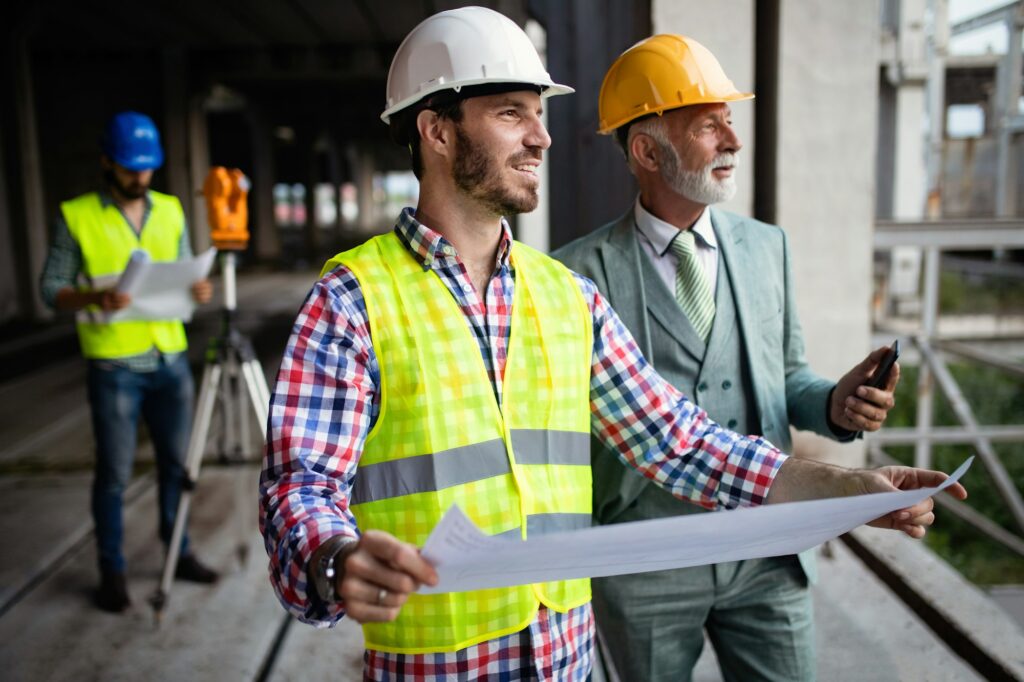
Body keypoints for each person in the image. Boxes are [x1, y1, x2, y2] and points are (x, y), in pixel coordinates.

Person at [259, 8, 964, 681]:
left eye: (540, 114)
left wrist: (851, 490)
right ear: (437, 131)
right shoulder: (353, 299)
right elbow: (301, 488)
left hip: (564, 656)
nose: (542, 138)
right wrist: (335, 559)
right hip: (440, 666)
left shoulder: (566, 296)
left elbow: (684, 445)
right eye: (512, 112)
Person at [551, 34, 904, 681]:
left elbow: (787, 375)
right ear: (645, 149)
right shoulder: (572, 276)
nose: (732, 143)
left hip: (768, 550)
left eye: (730, 124)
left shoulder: (768, 248)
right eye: (709, 127)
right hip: (646, 560)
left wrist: (834, 403)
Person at [40, 111, 219, 613]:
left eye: (146, 168)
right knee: (114, 476)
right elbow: (51, 291)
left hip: (169, 357)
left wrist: (197, 288)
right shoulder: (76, 215)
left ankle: (178, 551)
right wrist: (93, 300)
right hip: (115, 364)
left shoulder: (170, 209)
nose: (140, 177)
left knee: (175, 466)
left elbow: (183, 272)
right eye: (130, 167)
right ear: (107, 163)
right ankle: (112, 571)